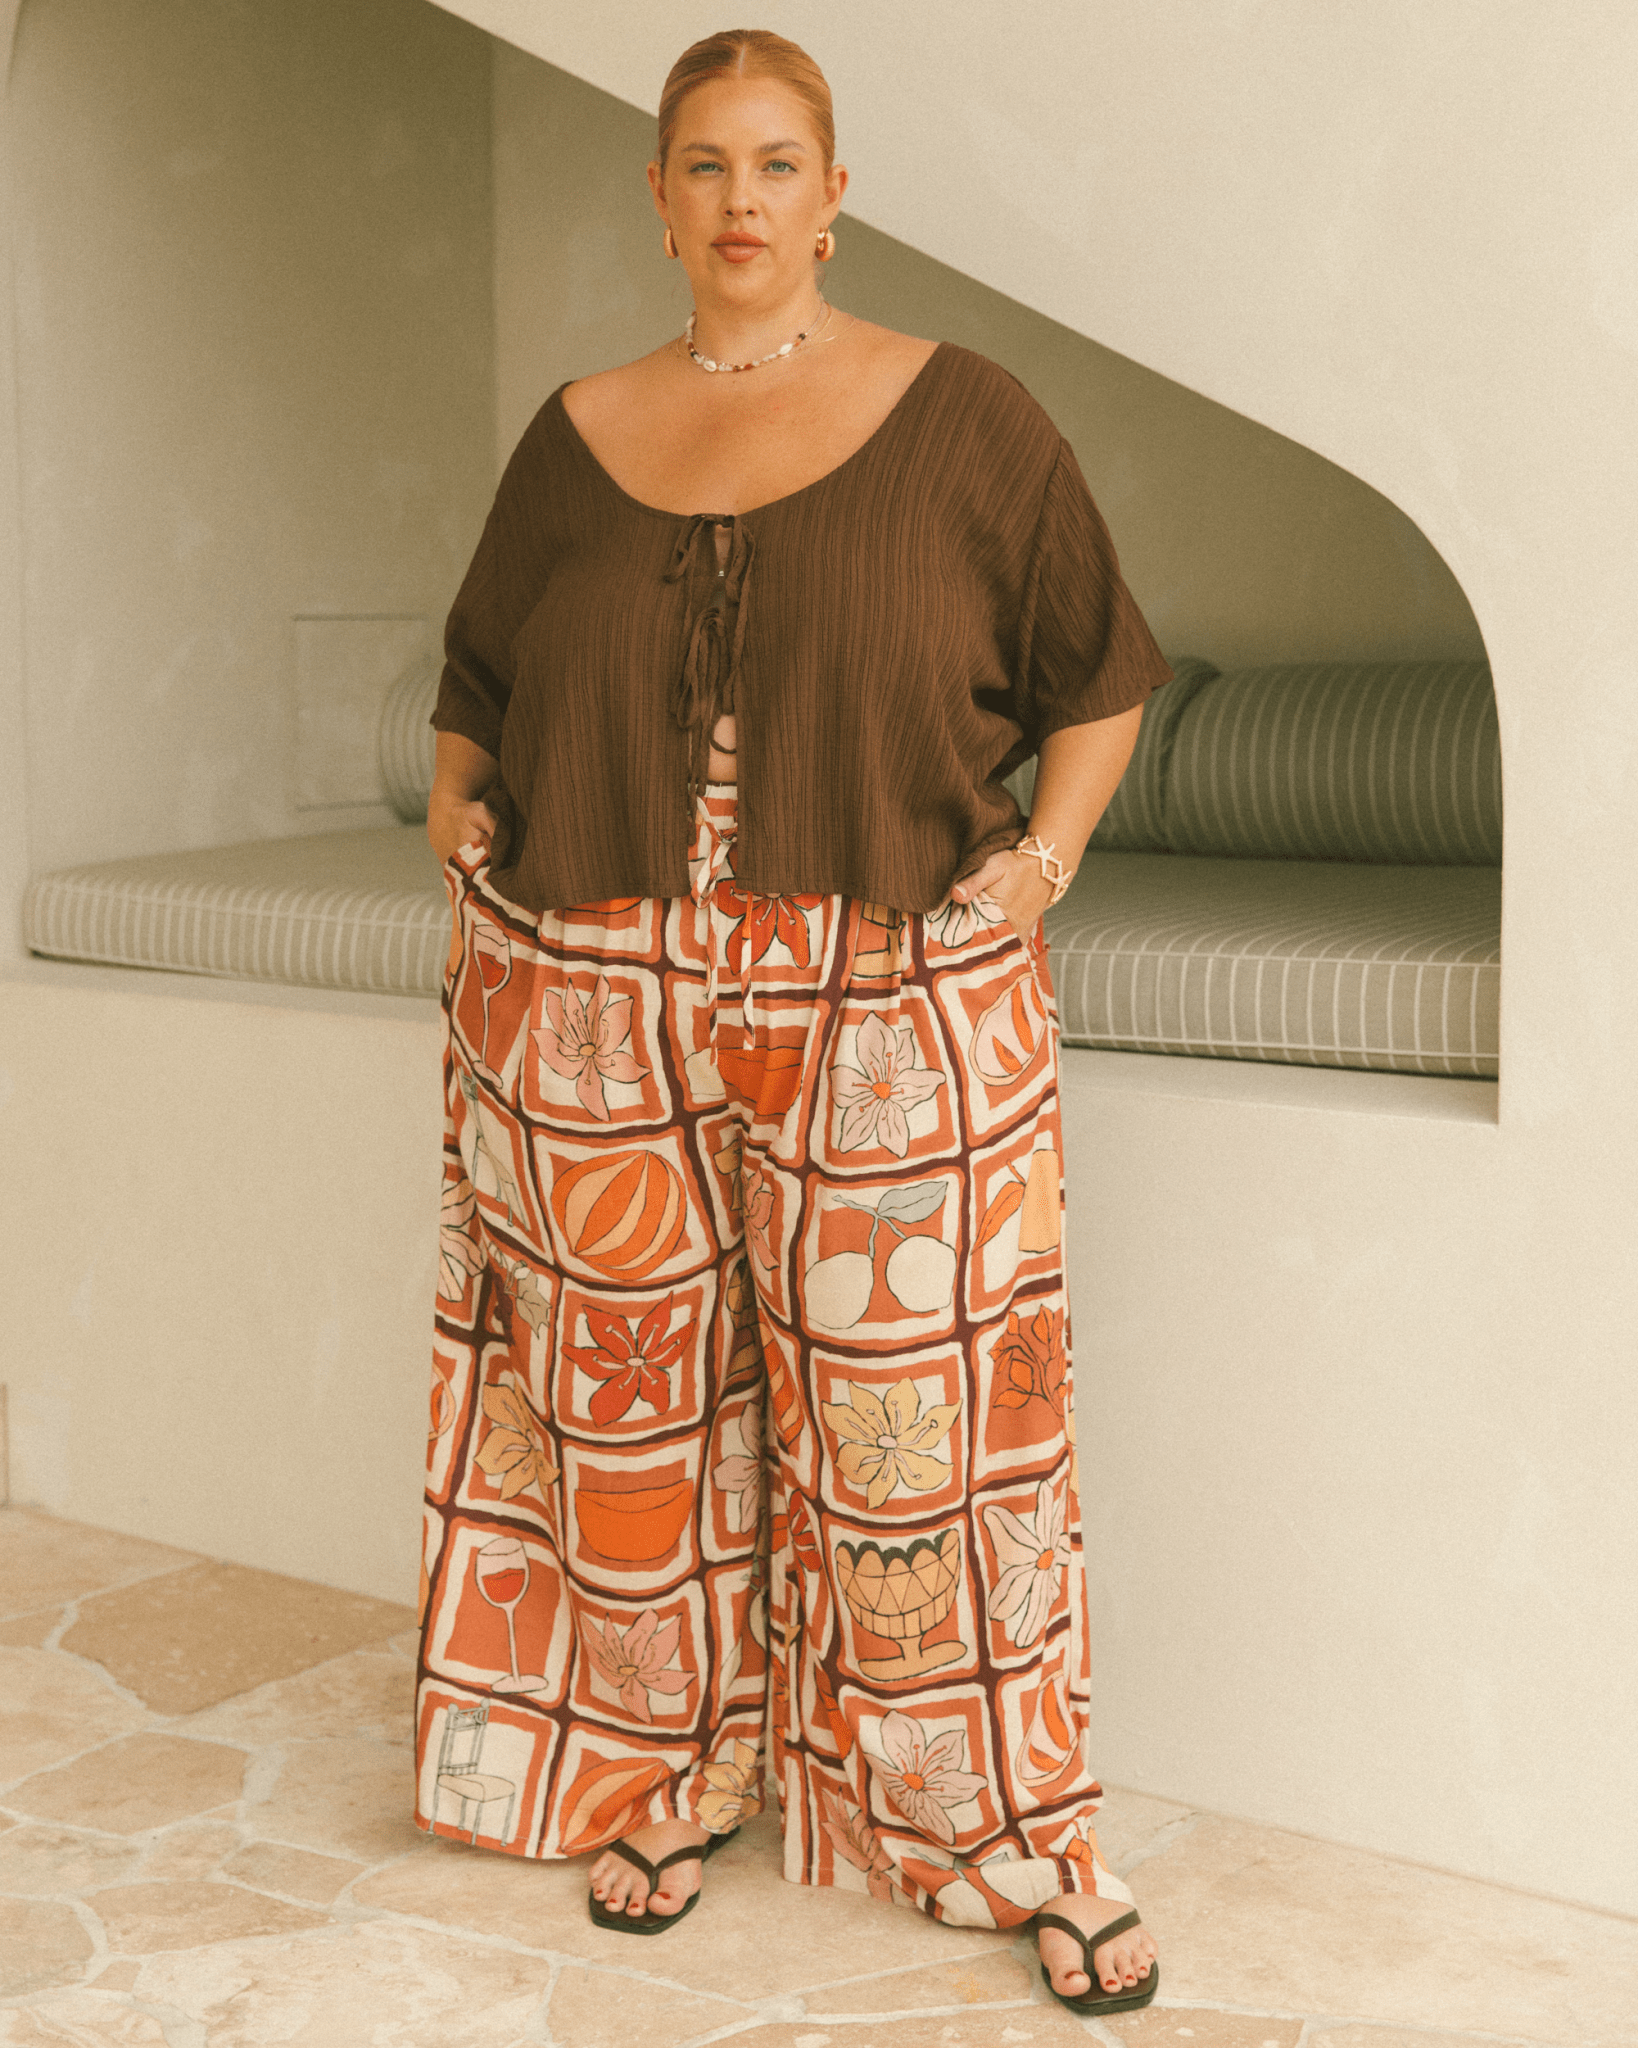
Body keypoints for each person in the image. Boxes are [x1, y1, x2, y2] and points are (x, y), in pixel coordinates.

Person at [417, 27, 1168, 2017]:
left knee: (925, 1439)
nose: (740, 199)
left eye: (775, 163)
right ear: (657, 201)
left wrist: (1043, 868)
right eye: (703, 164)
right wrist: (455, 802)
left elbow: (1097, 671)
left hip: (889, 995)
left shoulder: (964, 413)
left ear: (834, 197)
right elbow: (479, 674)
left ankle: (1003, 1830)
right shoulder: (577, 433)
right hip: (594, 993)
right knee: (632, 1422)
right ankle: (673, 1772)